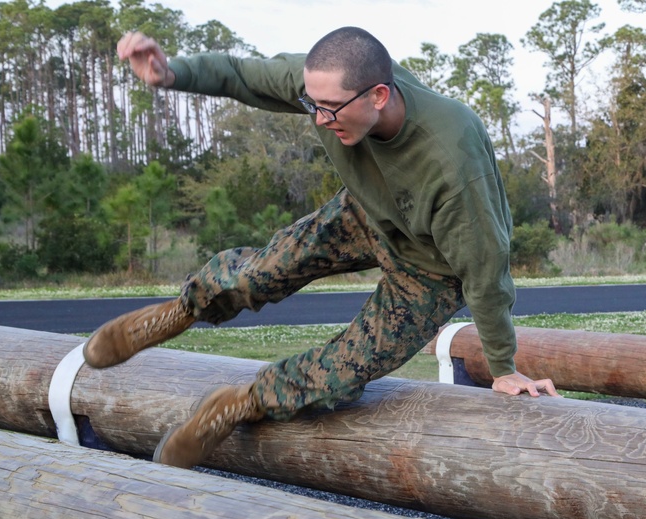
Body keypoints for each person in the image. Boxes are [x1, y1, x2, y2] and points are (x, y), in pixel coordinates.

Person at [90, 27, 559, 469]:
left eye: (330, 108)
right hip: (368, 211)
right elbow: (243, 74)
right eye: (312, 103)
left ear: (378, 94)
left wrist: (502, 367)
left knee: (344, 371)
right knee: (264, 272)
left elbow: (485, 271)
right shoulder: (329, 87)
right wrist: (173, 73)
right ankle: (184, 310)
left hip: (432, 269)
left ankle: (240, 404)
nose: (318, 118)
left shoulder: (453, 160)